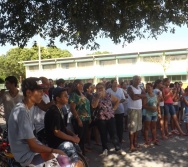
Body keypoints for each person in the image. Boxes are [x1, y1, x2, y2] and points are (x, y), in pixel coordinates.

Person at [8, 77, 66, 167]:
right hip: (27, 156)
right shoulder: (22, 112)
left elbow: (33, 140)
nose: (42, 94)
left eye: (42, 91)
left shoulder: (28, 108)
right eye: (39, 91)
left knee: (67, 161)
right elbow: (33, 146)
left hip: (31, 152)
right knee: (63, 161)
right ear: (28, 93)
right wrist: (53, 150)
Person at [44, 87, 83, 166]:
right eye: (65, 95)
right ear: (58, 98)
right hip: (56, 144)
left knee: (78, 150)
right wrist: (73, 139)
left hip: (62, 141)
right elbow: (57, 132)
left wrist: (73, 135)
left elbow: (63, 127)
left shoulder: (60, 109)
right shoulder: (54, 112)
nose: (67, 97)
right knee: (73, 154)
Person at [92, 83, 126, 156]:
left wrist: (113, 109)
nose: (99, 90)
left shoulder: (108, 94)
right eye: (97, 88)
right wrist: (97, 98)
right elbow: (94, 106)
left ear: (104, 88)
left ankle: (118, 148)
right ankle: (105, 149)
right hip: (101, 118)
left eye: (101, 88)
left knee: (113, 133)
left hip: (110, 117)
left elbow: (117, 100)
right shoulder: (95, 96)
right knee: (103, 134)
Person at [69, 79, 91, 155]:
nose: (83, 85)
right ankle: (80, 153)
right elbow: (72, 108)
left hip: (85, 118)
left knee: (83, 136)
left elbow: (86, 106)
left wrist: (89, 117)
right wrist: (78, 119)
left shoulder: (82, 93)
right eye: (81, 84)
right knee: (79, 137)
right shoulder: (74, 94)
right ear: (77, 85)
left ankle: (82, 149)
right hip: (79, 119)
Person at [32, 77, 54, 143]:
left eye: (49, 84)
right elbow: (44, 107)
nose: (49, 86)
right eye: (47, 84)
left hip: (45, 124)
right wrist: (54, 101)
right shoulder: (37, 96)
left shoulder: (46, 95)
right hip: (39, 126)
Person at [127, 75, 146, 152]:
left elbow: (145, 95)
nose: (138, 81)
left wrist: (138, 95)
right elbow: (133, 98)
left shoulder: (140, 88)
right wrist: (141, 96)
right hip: (132, 109)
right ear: (133, 80)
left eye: (139, 80)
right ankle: (131, 145)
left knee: (138, 127)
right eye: (136, 79)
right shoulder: (129, 87)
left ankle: (135, 142)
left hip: (139, 109)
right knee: (132, 128)